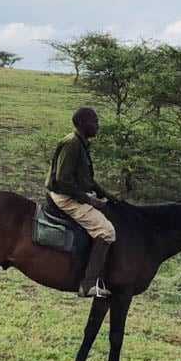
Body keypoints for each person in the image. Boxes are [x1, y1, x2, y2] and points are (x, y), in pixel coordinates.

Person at [46, 106, 116, 298]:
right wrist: (90, 201)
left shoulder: (82, 143)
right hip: (64, 197)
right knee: (106, 231)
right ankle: (88, 284)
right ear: (84, 124)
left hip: (73, 193)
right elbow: (62, 180)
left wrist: (108, 196)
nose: (97, 125)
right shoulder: (73, 144)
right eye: (94, 121)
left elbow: (88, 180)